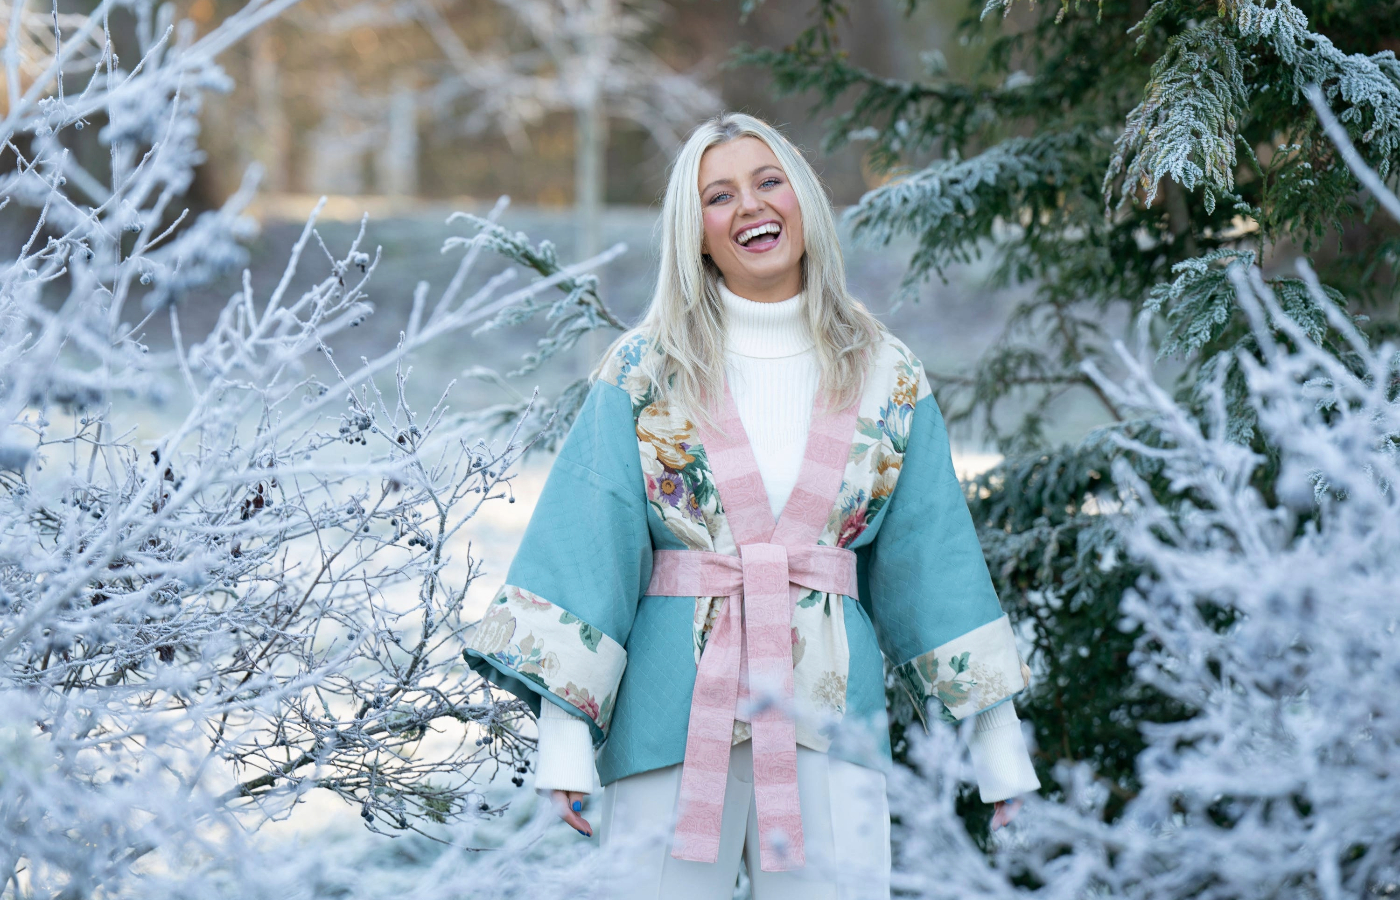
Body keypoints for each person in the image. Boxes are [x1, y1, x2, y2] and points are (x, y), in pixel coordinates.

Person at [463, 112, 1041, 899]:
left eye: (769, 182)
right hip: (670, 717)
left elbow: (932, 559)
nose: (751, 208)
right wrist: (565, 739)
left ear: (803, 198)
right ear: (694, 232)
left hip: (831, 720)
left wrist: (997, 746)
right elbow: (585, 540)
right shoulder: (644, 368)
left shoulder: (886, 372)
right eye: (719, 196)